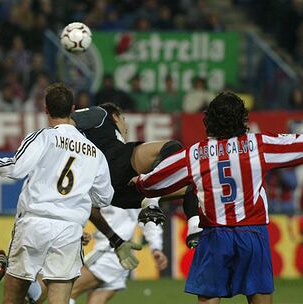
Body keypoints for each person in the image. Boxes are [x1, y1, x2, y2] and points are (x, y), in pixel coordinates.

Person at [133, 91, 303, 304]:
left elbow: (155, 180)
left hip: (215, 235)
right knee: (260, 297)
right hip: (252, 233)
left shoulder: (195, 154)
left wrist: (140, 182)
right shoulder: (258, 145)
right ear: (242, 119)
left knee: (209, 299)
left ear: (209, 119)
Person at [0, 83, 119, 304]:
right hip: (69, 229)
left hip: (34, 224)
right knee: (58, 300)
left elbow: (15, 169)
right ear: (73, 109)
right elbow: (105, 197)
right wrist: (77, 197)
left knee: (13, 298)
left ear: (46, 110)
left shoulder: (43, 137)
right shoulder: (95, 153)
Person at [71, 103, 202, 247]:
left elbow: (92, 211)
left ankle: (194, 229)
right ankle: (152, 195)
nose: (126, 129)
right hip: (115, 163)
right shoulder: (100, 113)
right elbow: (66, 118)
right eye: (124, 120)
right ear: (115, 117)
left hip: (117, 196)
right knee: (173, 147)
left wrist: (115, 239)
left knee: (192, 187)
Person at [25, 201, 167, 304]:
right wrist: (156, 247)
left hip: (110, 251)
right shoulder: (133, 181)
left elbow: (150, 218)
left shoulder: (134, 182)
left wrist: (156, 247)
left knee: (62, 289)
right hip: (119, 256)